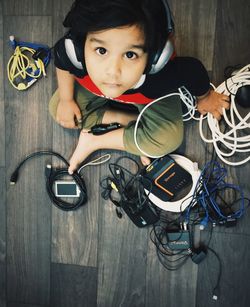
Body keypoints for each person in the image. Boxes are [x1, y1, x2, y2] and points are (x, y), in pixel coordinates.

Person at [49, 0, 230, 174]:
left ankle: (96, 141)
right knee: (57, 108)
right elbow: (61, 57)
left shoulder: (161, 77)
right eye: (102, 51)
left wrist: (206, 98)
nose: (113, 71)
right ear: (78, 48)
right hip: (96, 91)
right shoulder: (75, 58)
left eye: (130, 54)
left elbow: (193, 70)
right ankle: (133, 123)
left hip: (148, 100)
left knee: (168, 139)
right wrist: (66, 99)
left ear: (155, 59)